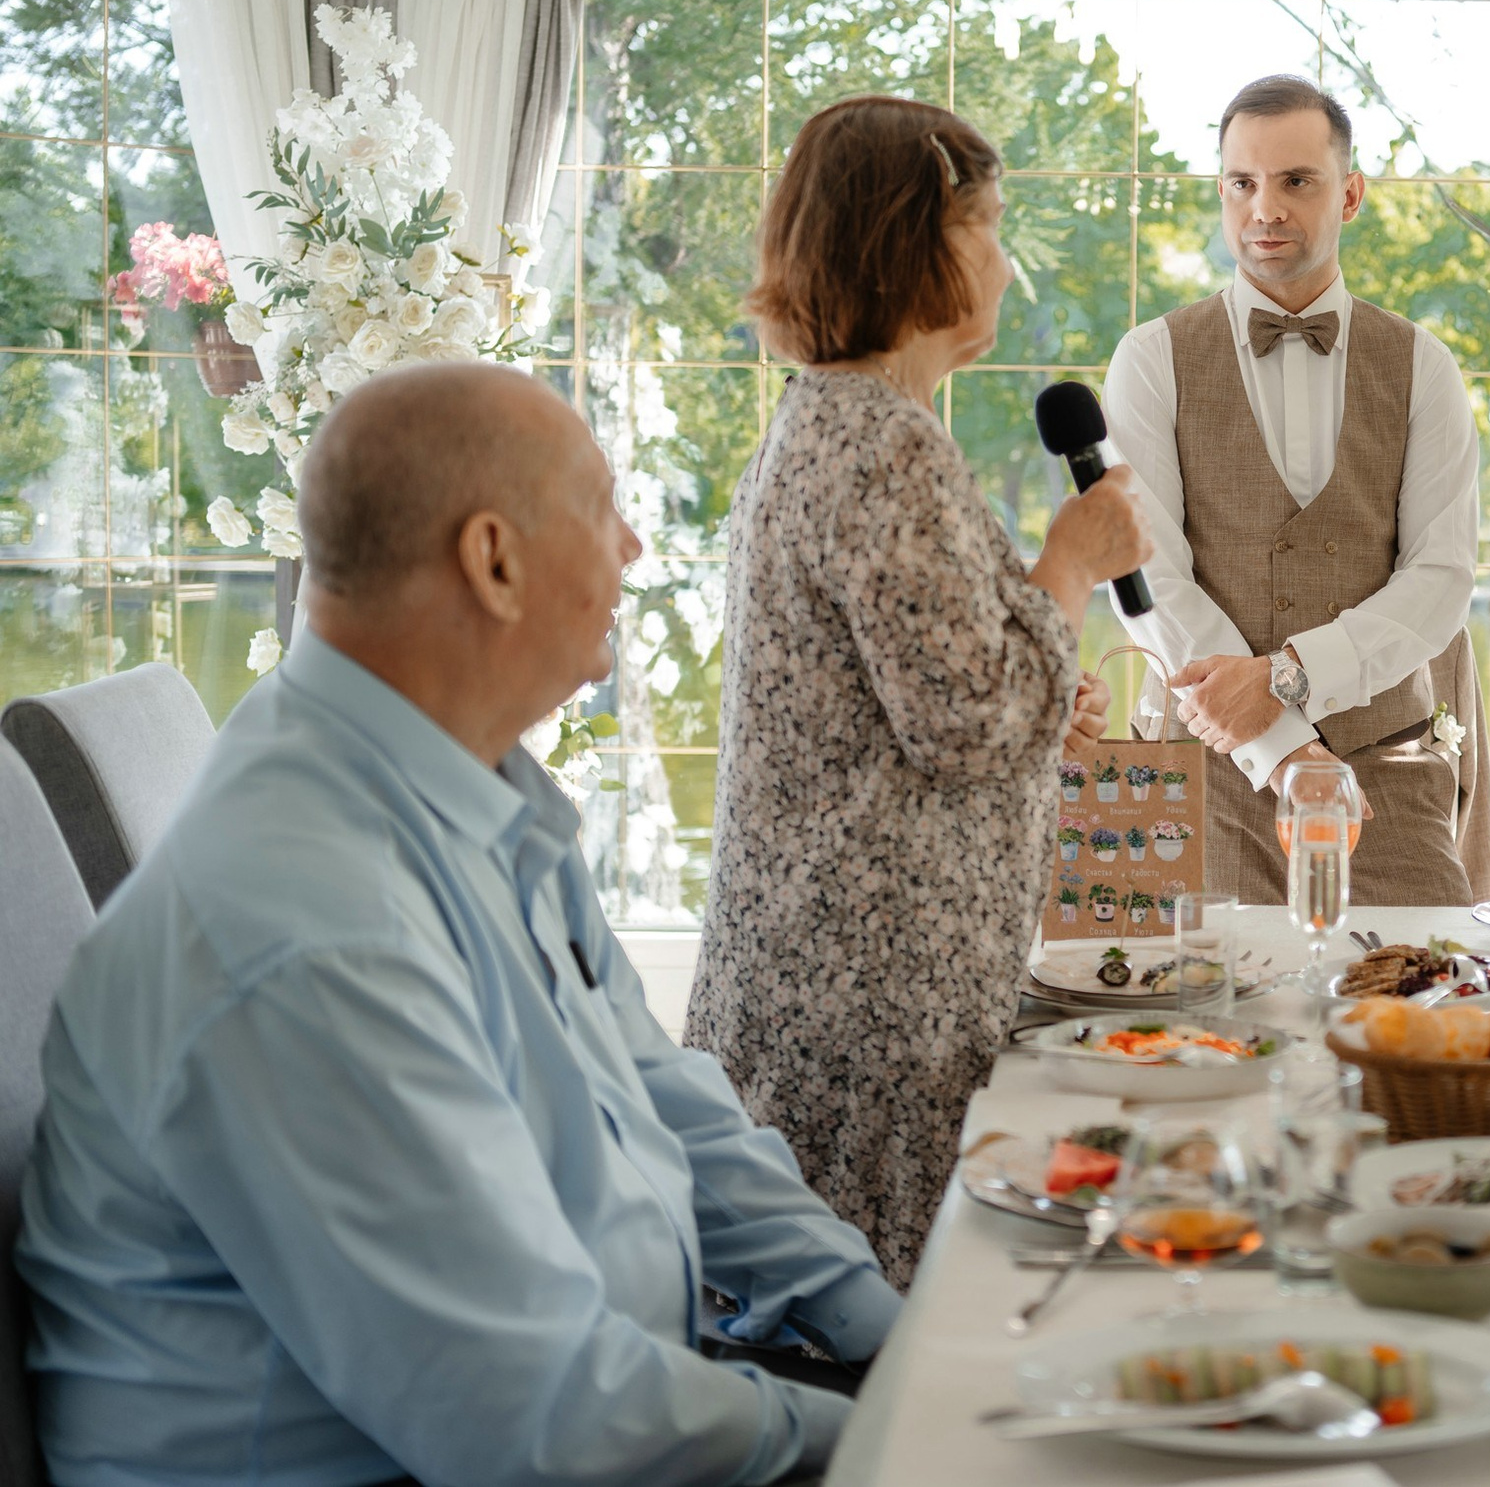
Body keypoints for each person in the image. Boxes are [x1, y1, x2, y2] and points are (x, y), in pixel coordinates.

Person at [15, 361, 896, 1487]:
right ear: (494, 559)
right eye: (603, 507)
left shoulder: (472, 785)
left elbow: (658, 1100)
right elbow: (535, 1421)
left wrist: (884, 1330)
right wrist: (898, 1435)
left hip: (578, 1402)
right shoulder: (306, 927)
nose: (633, 549)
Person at [684, 96, 1148, 1289]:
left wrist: (1044, 676)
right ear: (913, 243)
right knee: (888, 1334)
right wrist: (1072, 562)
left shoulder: (832, 425)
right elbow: (970, 718)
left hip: (837, 972)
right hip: (871, 997)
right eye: (985, 225)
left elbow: (919, 692)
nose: (1004, 261)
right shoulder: (885, 445)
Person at [1103, 75, 1489, 907]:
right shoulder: (1150, 358)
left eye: (1296, 182)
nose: (1265, 209)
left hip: (1386, 768)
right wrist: (1282, 747)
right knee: (1194, 993)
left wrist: (1289, 676)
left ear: (1349, 194)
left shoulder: (1423, 366)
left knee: (1435, 978)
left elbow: (1441, 579)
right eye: (1242, 183)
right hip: (1197, 771)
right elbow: (1147, 580)